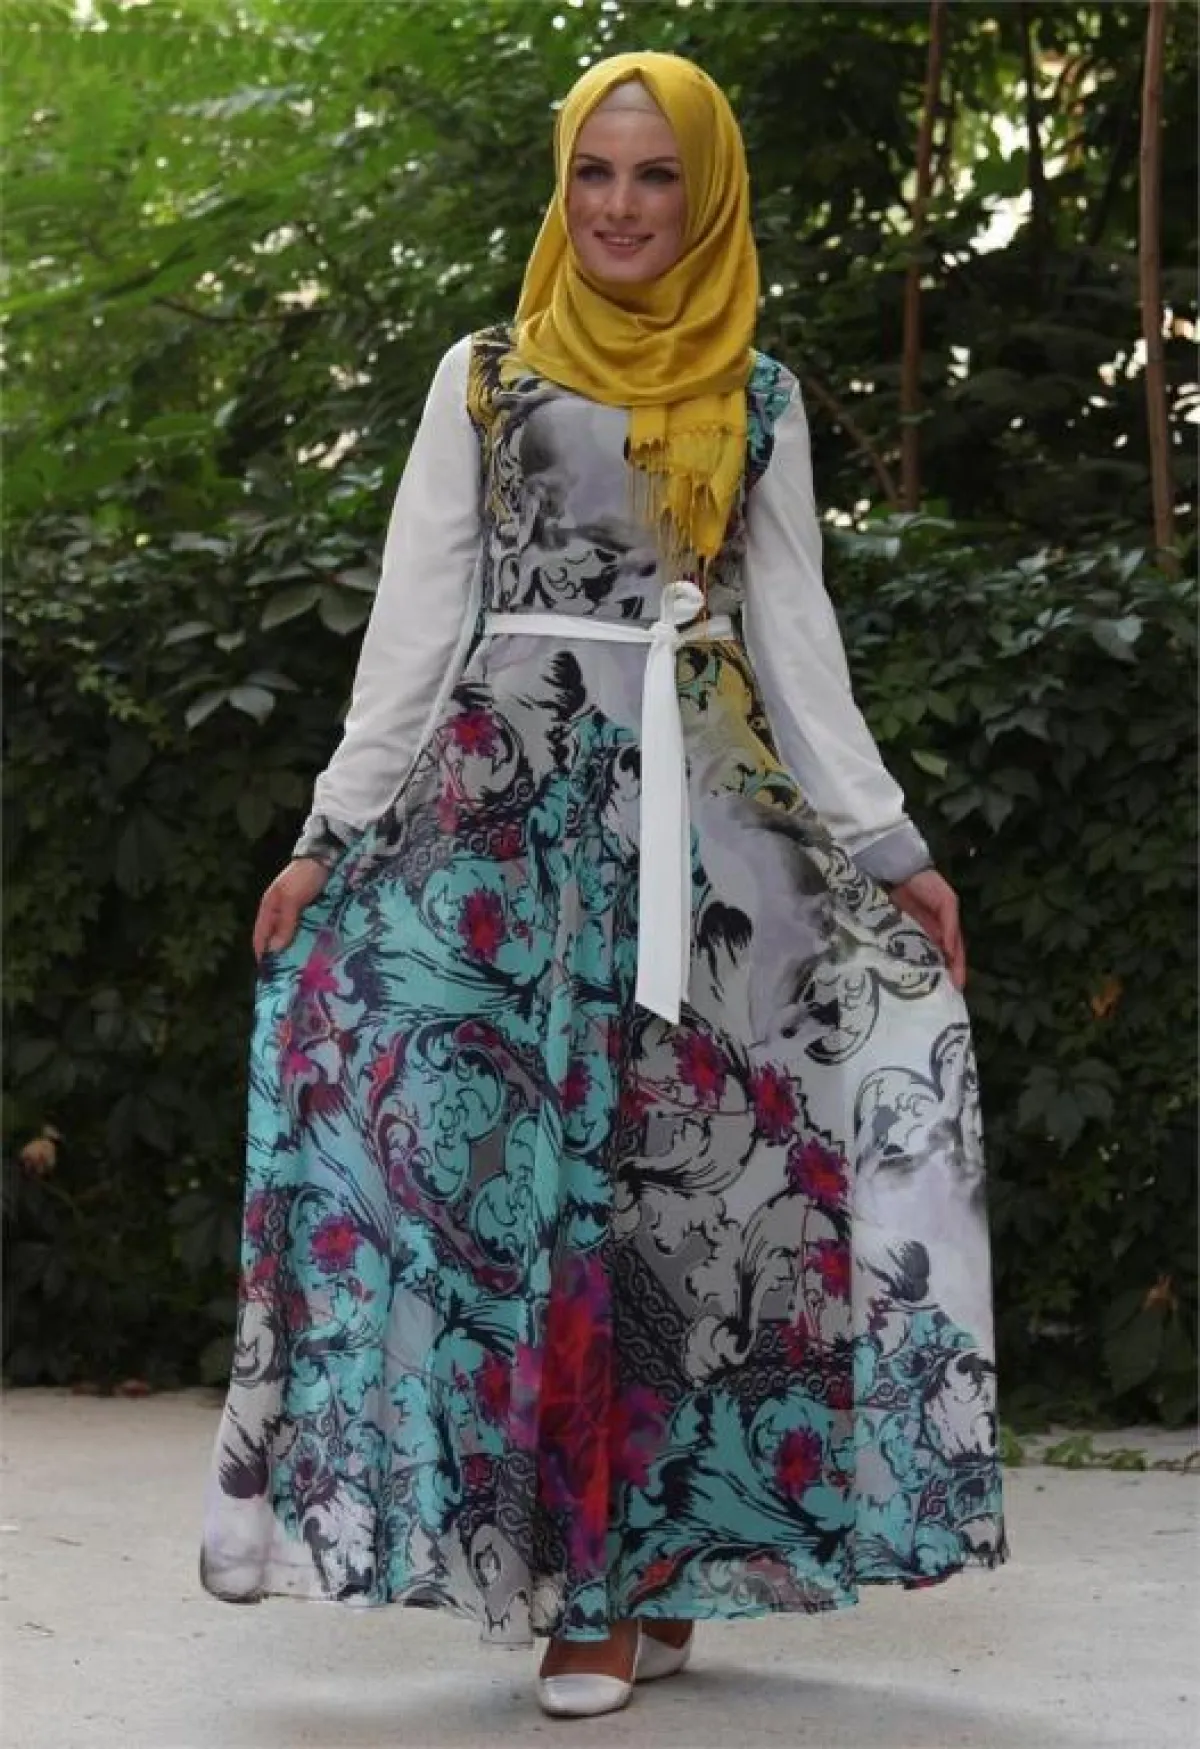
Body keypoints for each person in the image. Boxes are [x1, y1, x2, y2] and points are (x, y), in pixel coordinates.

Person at [199, 50, 1008, 1722]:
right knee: (520, 1200)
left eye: (656, 177)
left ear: (705, 198)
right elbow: (416, 618)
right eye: (594, 173)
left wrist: (890, 848)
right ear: (561, 187)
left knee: (694, 1208)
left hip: (706, 840)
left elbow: (796, 638)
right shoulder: (487, 376)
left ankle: (651, 1569)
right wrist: (331, 831)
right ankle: (587, 1582)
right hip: (502, 830)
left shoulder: (757, 394)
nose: (622, 207)